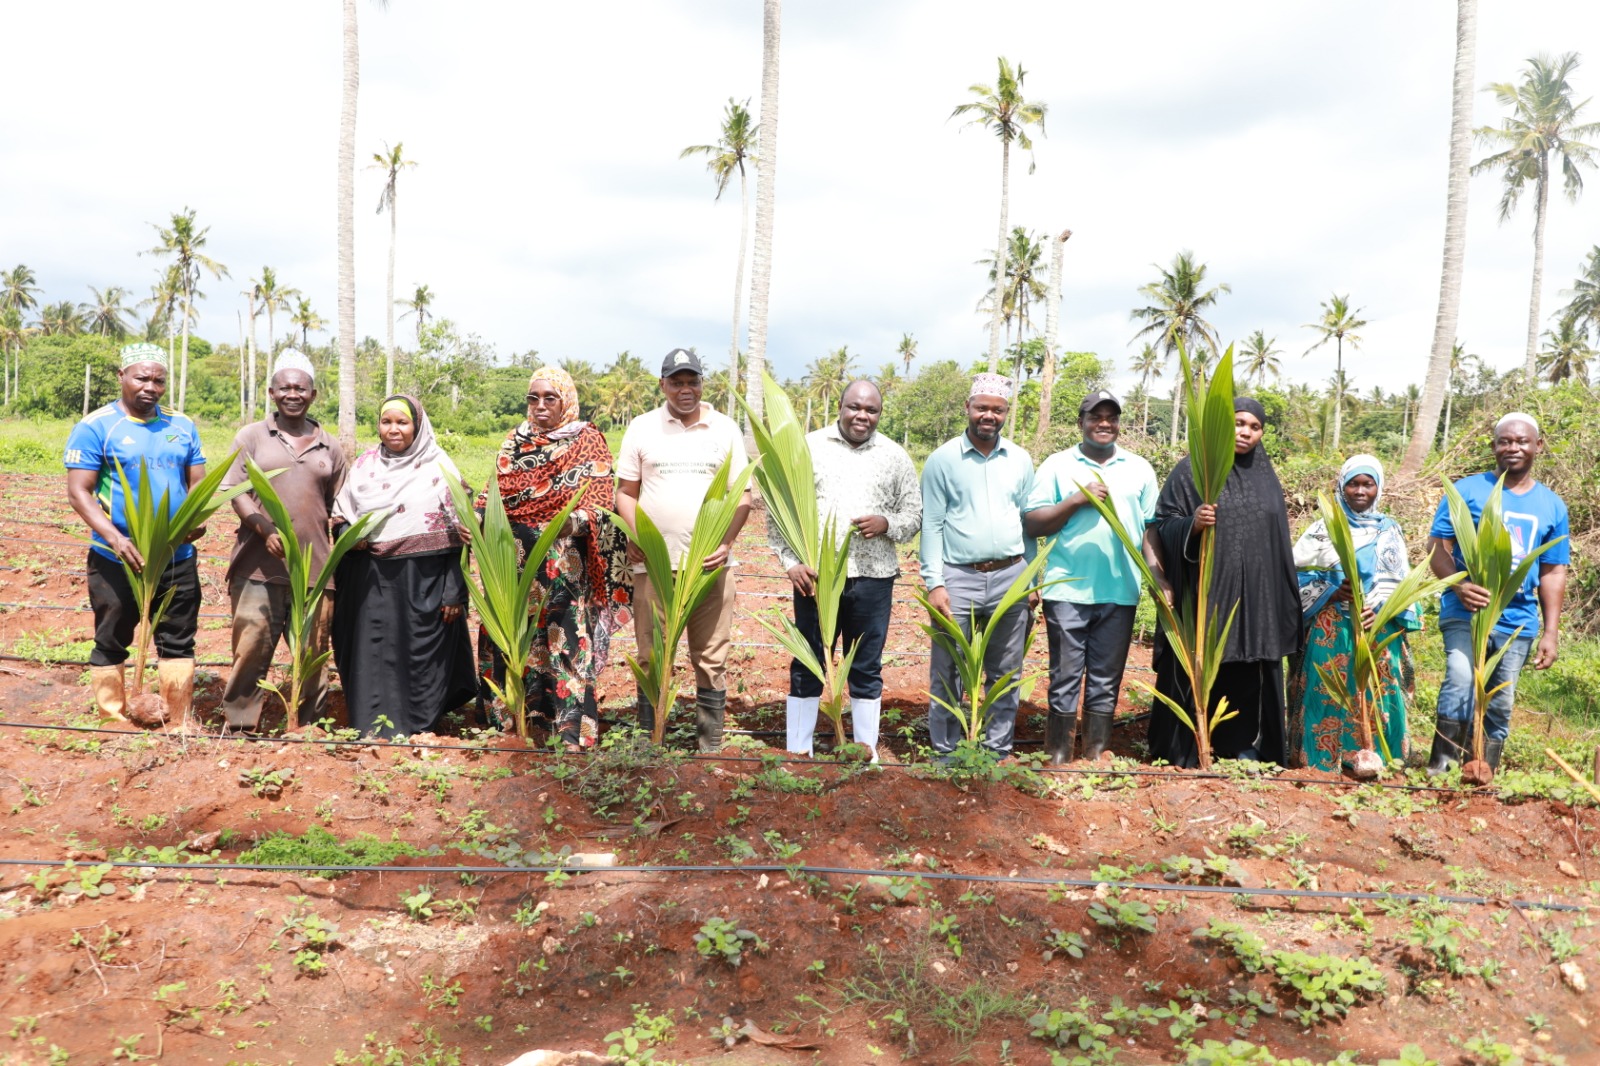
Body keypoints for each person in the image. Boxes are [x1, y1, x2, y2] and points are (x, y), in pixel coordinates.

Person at [475, 366, 631, 751]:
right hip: (512, 566)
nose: (540, 406)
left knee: (565, 643)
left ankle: (570, 733)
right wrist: (476, 516)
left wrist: (569, 523)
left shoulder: (586, 440)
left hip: (562, 566)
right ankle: (513, 728)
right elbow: (492, 494)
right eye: (533, 398)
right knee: (513, 642)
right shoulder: (514, 441)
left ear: (567, 401)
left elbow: (600, 502)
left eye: (550, 398)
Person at [1146, 397, 1300, 767]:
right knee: (1203, 659)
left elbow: (1276, 542)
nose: (1245, 431)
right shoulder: (1192, 471)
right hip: (1205, 592)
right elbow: (1160, 526)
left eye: (1254, 426)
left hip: (1256, 598)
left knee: (1250, 667)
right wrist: (1193, 524)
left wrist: (1277, 599)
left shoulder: (1266, 478)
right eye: (1237, 423)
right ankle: (1190, 742)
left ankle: (1247, 745)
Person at [771, 380, 922, 759]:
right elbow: (779, 507)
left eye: (871, 410)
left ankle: (865, 752)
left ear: (879, 414)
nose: (862, 416)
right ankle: (798, 752)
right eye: (855, 407)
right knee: (808, 662)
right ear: (840, 406)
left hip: (874, 578)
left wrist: (887, 523)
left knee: (866, 665)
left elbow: (914, 513)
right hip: (816, 579)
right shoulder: (809, 448)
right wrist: (790, 563)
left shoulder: (895, 455)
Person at [65, 342, 208, 728]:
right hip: (116, 557)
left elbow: (198, 482)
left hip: (175, 556)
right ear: (122, 377)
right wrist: (115, 537)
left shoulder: (182, 426)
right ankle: (111, 719)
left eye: (158, 380)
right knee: (111, 636)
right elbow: (80, 491)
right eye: (141, 377)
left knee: (178, 637)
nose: (150, 386)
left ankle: (176, 717)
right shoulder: (96, 426)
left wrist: (193, 520)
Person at [615, 349, 751, 750]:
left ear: (702, 384)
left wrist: (726, 544)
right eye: (677, 382)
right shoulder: (642, 428)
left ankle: (709, 746)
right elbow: (626, 492)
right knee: (652, 655)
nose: (685, 390)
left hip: (710, 567)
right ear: (663, 385)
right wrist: (637, 536)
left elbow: (741, 494)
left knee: (710, 656)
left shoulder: (725, 429)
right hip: (654, 567)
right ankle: (649, 740)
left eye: (692, 381)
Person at [1425, 412, 1569, 774]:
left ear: (1538, 446)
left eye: (1521, 441)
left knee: (1501, 700)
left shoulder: (1552, 505)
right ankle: (1441, 770)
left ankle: (1482, 770)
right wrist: (1459, 585)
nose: (1513, 447)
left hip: (1518, 620)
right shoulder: (1467, 491)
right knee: (1460, 678)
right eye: (1505, 441)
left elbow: (1553, 571)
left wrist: (1551, 631)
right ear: (1493, 447)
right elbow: (1436, 548)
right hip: (1466, 612)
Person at [1022, 390, 1159, 764]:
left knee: (1105, 678)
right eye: (1095, 416)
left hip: (1120, 590)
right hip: (1066, 588)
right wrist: (1076, 500)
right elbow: (1033, 523)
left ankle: (1096, 754)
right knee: (1064, 675)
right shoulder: (1056, 464)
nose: (1104, 423)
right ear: (1080, 422)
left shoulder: (1139, 468)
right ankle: (1058, 756)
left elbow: (1150, 531)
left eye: (1111, 417)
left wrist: (1157, 579)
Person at [330, 395, 476, 738]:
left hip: (422, 581)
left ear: (418, 426)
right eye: (386, 422)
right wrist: (352, 536)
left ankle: (417, 723)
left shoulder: (439, 467)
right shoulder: (364, 466)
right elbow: (340, 516)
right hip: (368, 579)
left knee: (418, 654)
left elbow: (462, 534)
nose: (393, 429)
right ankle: (369, 723)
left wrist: (454, 590)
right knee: (372, 653)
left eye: (402, 422)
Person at [218, 351, 347, 732]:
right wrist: (264, 529)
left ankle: (307, 726)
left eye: (301, 388)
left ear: (313, 394)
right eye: (286, 387)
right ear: (272, 392)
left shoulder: (330, 446)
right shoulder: (252, 437)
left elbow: (339, 503)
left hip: (314, 569)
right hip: (258, 567)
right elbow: (235, 490)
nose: (293, 393)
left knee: (312, 653)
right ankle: (240, 725)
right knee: (251, 648)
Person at [919, 373, 1037, 760]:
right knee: (948, 668)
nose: (989, 415)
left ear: (1006, 413)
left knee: (1006, 669)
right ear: (967, 409)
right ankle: (946, 752)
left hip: (1010, 574)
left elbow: (1028, 521)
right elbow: (932, 524)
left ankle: (997, 750)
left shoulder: (1020, 459)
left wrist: (1031, 575)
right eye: (982, 407)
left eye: (997, 409)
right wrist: (934, 583)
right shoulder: (942, 460)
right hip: (958, 577)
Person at [1288, 455, 1417, 771]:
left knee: (1379, 691)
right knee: (1325, 692)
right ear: (1341, 488)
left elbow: (1402, 582)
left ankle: (1382, 756)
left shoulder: (1390, 531)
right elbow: (1293, 574)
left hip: (1378, 627)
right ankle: (1320, 760)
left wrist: (1382, 611)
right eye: (1353, 484)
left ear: (1379, 488)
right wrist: (1331, 592)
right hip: (1330, 627)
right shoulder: (1323, 529)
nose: (1360, 491)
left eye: (1368, 484)